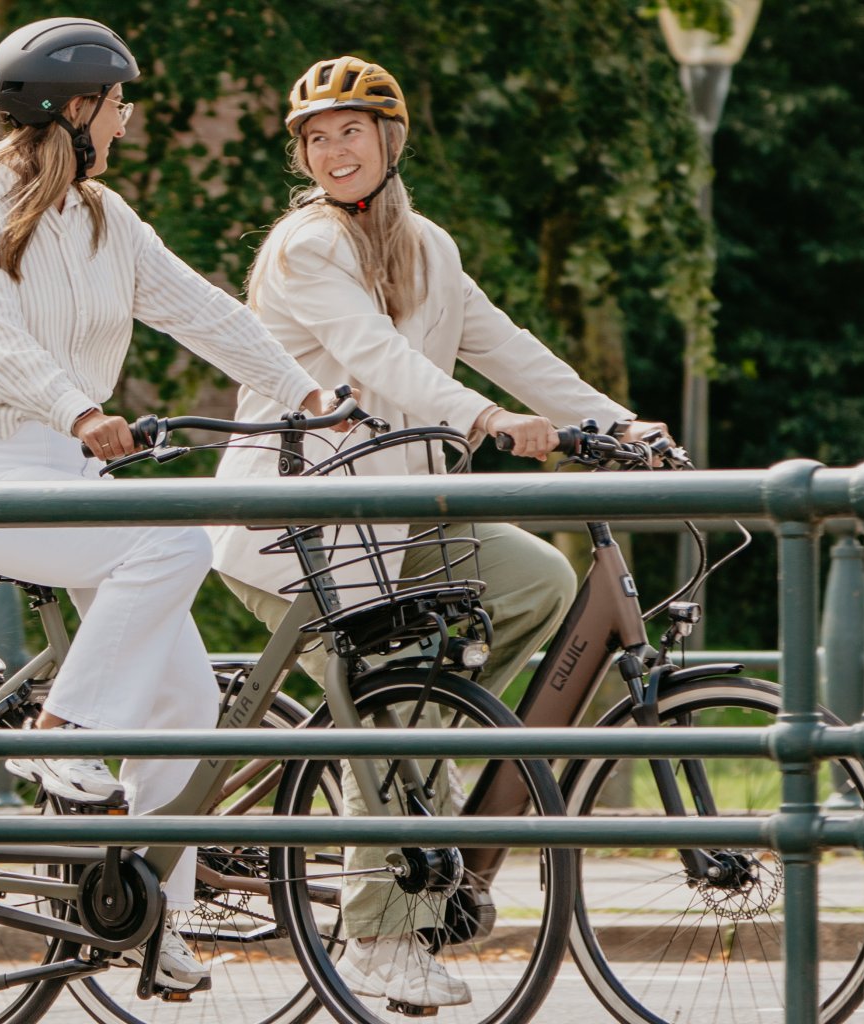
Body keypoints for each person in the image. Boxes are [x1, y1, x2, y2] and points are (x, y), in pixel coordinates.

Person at [211, 56, 668, 1007]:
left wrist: (616, 420)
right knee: (388, 704)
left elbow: (503, 343)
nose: (335, 151)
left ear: (391, 139)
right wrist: (488, 423)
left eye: (352, 132)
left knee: (538, 580)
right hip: (298, 523)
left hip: (400, 524)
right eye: (317, 138)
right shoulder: (304, 248)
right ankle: (377, 934)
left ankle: (426, 728)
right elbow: (375, 358)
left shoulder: (428, 247)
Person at [0, 16, 340, 992]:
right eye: (119, 102)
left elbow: (203, 311)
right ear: (77, 108)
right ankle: (63, 740)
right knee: (171, 535)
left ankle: (153, 920)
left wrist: (306, 394)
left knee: (190, 704)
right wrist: (79, 411)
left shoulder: (105, 218)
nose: (129, 117)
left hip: (73, 480)